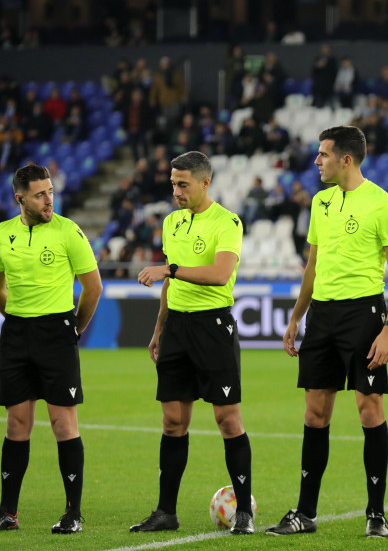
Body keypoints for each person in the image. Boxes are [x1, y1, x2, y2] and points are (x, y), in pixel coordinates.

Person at [267, 125, 388, 538]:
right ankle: (305, 512)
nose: (317, 161)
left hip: (363, 315)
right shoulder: (320, 201)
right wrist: (297, 316)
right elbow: (313, 265)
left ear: (346, 159)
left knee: (369, 409)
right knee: (315, 412)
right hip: (322, 317)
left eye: (323, 155)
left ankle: (376, 513)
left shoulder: (382, 204)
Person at [130, 151, 253, 535]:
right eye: (173, 184)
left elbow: (219, 274)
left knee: (227, 419)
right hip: (177, 330)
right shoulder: (171, 222)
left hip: (213, 328)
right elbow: (172, 284)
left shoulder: (227, 222)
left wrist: (170, 268)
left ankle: (245, 513)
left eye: (183, 184)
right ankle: (166, 512)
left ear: (205, 183)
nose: (176, 191)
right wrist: (158, 328)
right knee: (172, 422)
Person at [0, 164, 102, 534]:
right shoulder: (0, 236)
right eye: (40, 194)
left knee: (63, 424)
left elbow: (92, 288)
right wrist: (15, 319)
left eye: (51, 192)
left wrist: (73, 329)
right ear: (20, 198)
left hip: (57, 333)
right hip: (16, 335)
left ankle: (72, 514)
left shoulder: (68, 231)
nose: (49, 199)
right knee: (16, 424)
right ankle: (8, 513)